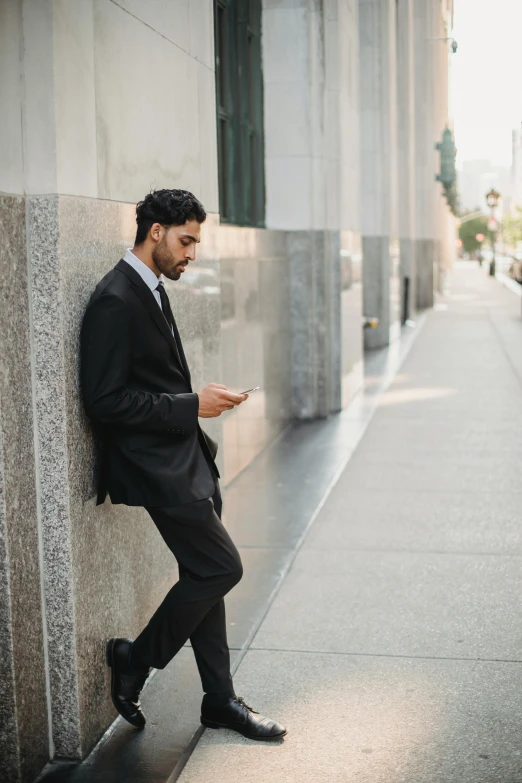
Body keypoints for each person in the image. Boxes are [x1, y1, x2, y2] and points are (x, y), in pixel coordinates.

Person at [80, 189, 286, 741]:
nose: (192, 252)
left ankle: (219, 700)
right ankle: (136, 658)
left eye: (196, 240)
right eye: (186, 239)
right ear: (155, 233)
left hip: (184, 457)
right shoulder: (114, 298)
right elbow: (104, 400)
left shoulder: (149, 287)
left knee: (205, 573)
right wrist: (192, 406)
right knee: (221, 568)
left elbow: (152, 381)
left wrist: (198, 401)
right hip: (156, 468)